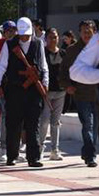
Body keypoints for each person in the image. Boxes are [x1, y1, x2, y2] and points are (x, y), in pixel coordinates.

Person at [0, 17, 49, 168]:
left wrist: (45, 84)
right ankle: (12, 156)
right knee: (13, 124)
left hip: (33, 91)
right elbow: (2, 66)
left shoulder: (38, 43)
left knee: (33, 124)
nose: (24, 37)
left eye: (27, 34)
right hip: (15, 89)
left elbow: (43, 66)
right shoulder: (9, 44)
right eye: (22, 34)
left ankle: (34, 157)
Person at [64, 20, 99, 167]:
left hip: (98, 95)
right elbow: (63, 71)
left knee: (96, 126)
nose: (86, 34)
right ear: (79, 32)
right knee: (88, 125)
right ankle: (91, 155)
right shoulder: (72, 50)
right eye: (84, 31)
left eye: (89, 31)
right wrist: (67, 86)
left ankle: (86, 151)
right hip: (81, 94)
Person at [38, 29, 66, 161]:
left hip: (61, 91)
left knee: (56, 122)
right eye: (50, 37)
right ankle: (40, 148)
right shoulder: (42, 52)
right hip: (47, 92)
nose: (53, 40)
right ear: (46, 38)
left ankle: (55, 150)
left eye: (55, 37)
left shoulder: (63, 53)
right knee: (44, 121)